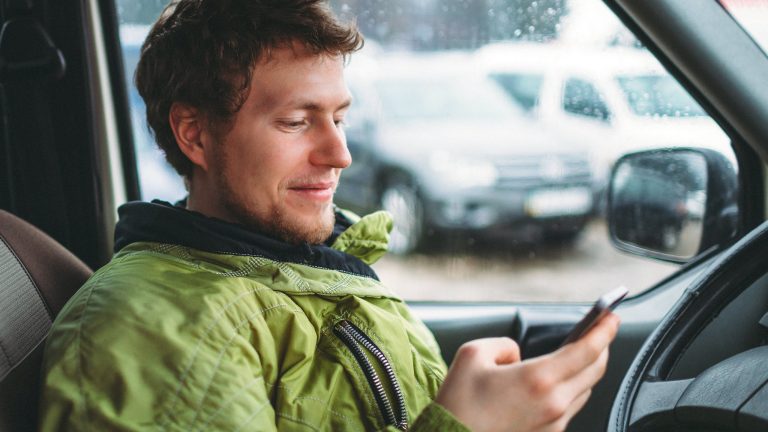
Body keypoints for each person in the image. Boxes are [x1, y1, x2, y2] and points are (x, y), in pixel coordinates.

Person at [38, 0, 620, 430]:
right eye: (297, 121)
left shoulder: (305, 268)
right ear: (194, 134)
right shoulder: (151, 329)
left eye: (338, 118)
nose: (339, 153)